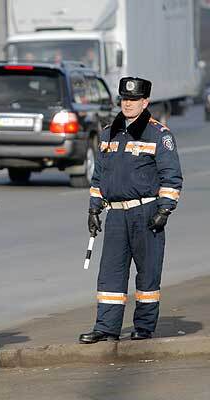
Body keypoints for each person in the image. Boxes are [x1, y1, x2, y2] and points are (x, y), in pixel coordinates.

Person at [79, 77, 183, 344]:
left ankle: (144, 327)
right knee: (111, 273)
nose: (128, 103)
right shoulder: (108, 133)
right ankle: (106, 328)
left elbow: (171, 177)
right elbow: (99, 176)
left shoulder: (159, 134)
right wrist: (94, 209)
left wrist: (165, 209)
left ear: (145, 102)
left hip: (146, 213)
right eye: (124, 99)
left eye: (134, 99)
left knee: (147, 272)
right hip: (115, 214)